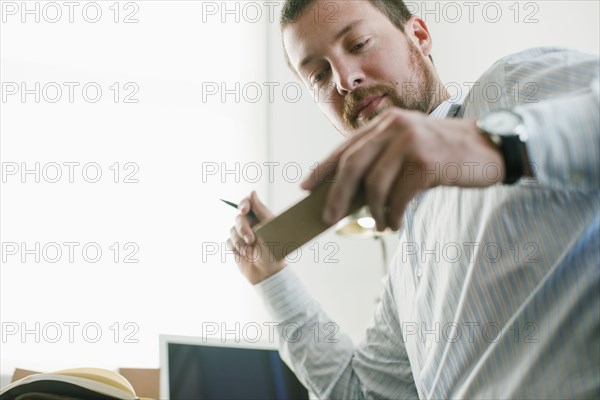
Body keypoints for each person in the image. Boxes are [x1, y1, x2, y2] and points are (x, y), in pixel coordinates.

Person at [227, 0, 599, 398]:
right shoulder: (406, 269)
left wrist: (496, 142)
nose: (344, 80)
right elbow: (361, 392)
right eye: (319, 75)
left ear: (419, 37)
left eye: (358, 44)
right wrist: (271, 278)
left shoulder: (511, 89)